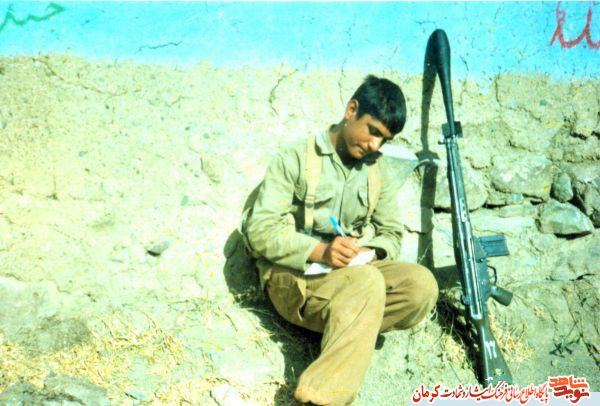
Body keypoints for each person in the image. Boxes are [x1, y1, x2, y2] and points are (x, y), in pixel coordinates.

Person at [242, 75, 439, 405]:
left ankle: (344, 327)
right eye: (373, 131)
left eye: (384, 139)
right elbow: (259, 230)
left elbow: (392, 234)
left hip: (348, 278)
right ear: (351, 110)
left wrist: (369, 252)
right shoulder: (296, 158)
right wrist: (320, 251)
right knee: (366, 283)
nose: (375, 145)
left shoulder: (376, 170)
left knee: (421, 286)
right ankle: (321, 398)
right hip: (294, 278)